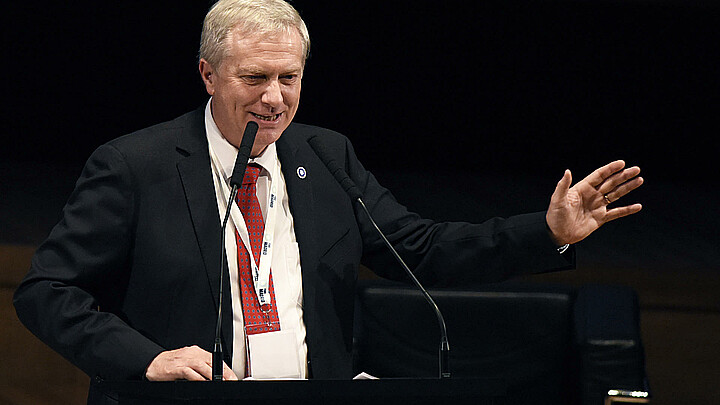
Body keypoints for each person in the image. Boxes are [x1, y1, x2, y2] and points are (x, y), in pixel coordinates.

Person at [13, 0, 643, 402]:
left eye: (290, 78)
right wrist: (145, 360)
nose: (274, 99)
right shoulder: (135, 165)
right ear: (208, 75)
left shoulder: (326, 155)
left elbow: (419, 250)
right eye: (254, 78)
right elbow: (47, 291)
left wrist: (548, 230)